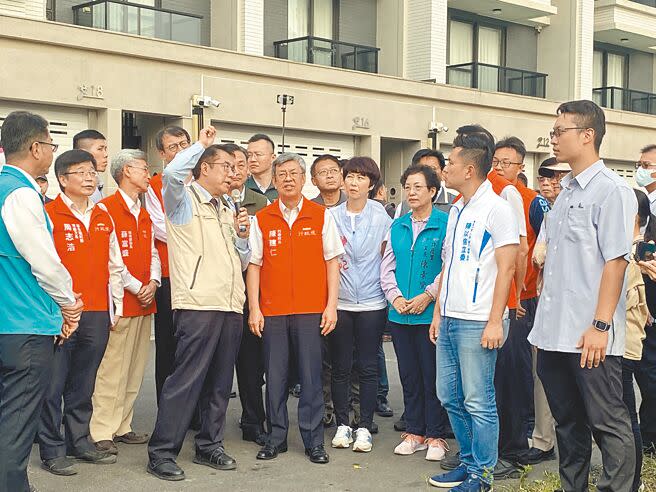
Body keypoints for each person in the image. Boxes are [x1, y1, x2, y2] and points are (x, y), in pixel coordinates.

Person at [528, 100, 637, 492]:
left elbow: (616, 262)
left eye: (560, 132)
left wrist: (600, 325)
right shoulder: (566, 192)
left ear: (587, 135)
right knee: (568, 423)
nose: (553, 139)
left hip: (590, 337)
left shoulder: (611, 191)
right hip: (552, 335)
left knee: (608, 424)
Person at [147, 128, 251, 481]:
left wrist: (242, 238)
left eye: (235, 167)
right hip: (198, 303)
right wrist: (201, 145)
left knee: (221, 382)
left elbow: (241, 260)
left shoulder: (227, 207)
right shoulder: (182, 200)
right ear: (203, 168)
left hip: (230, 304)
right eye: (225, 166)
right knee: (186, 379)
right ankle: (162, 452)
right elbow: (175, 173)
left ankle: (210, 445)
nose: (232, 173)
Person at [428, 125, 519, 492]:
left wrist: (495, 320)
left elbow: (508, 267)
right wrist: (438, 312)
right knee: (448, 395)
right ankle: (467, 463)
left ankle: (483, 475)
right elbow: (449, 264)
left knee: (479, 400)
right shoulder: (456, 210)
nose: (444, 168)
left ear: (469, 170)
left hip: (480, 320)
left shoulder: (497, 208)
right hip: (450, 317)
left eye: (450, 162)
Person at [0, 110, 83, 492]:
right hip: (24, 324)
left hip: (8, 323)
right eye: (50, 144)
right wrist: (69, 303)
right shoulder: (21, 193)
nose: (52, 150)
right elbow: (44, 261)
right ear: (35, 147)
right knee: (16, 422)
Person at [247, 152, 344, 464]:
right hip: (272, 310)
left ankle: (314, 441)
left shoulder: (320, 215)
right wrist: (254, 309)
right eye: (282, 175)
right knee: (275, 377)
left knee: (311, 376)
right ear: (274, 181)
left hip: (310, 309)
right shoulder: (262, 218)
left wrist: (331, 306)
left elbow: (333, 262)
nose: (287, 179)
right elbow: (254, 265)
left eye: (293, 173)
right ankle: (275, 438)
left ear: (304, 180)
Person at [38, 149, 128, 475]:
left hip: (96, 312)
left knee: (84, 382)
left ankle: (80, 440)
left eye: (92, 172)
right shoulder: (48, 214)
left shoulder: (104, 215)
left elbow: (114, 265)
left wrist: (114, 306)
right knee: (53, 384)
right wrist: (58, 310)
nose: (90, 178)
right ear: (62, 180)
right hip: (59, 313)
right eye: (81, 172)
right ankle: (52, 448)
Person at [90, 149, 161, 455]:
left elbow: (154, 252)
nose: (148, 174)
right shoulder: (106, 209)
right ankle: (101, 430)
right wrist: (136, 286)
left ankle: (123, 425)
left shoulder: (143, 212)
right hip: (122, 302)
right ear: (126, 172)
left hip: (146, 302)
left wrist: (154, 283)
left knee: (135, 367)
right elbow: (111, 260)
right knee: (112, 369)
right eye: (143, 169)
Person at [381, 164, 450, 462]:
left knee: (432, 375)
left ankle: (436, 434)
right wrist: (395, 298)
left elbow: (448, 266)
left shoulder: (445, 223)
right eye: (407, 186)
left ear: (433, 191)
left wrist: (427, 296)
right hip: (400, 314)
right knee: (408, 375)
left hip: (429, 314)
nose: (411, 192)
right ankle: (414, 432)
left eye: (418, 187)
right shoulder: (398, 225)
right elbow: (387, 266)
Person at [491, 137, 551, 475]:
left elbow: (537, 250)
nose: (500, 168)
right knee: (501, 372)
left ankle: (522, 437)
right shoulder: (489, 197)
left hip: (524, 299)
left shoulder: (531, 201)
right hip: (499, 299)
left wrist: (521, 291)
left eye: (507, 163)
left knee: (521, 371)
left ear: (520, 167)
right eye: (496, 162)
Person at [328, 157, 391, 453]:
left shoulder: (381, 217)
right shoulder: (331, 215)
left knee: (367, 366)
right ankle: (343, 423)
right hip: (339, 302)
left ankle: (364, 425)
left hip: (371, 302)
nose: (354, 183)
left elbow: (388, 255)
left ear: (371, 184)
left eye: (361, 178)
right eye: (350, 176)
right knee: (340, 366)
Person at [222, 142, 269, 446]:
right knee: (217, 364)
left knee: (252, 364)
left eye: (241, 165)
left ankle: (253, 420)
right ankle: (204, 420)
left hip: (252, 294)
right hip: (219, 292)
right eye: (229, 166)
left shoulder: (260, 203)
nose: (236, 171)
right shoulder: (207, 201)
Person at [145, 125, 191, 403]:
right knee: (167, 344)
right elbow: (159, 227)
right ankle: (167, 406)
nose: (180, 151)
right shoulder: (155, 184)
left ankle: (195, 411)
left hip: (200, 275)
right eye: (172, 147)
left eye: (184, 144)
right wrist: (195, 235)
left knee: (195, 345)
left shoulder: (203, 178)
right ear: (162, 154)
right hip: (169, 274)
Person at [310, 154, 346, 428]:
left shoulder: (356, 206)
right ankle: (325, 408)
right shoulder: (310, 210)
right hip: (318, 295)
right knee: (321, 359)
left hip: (354, 298)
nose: (330, 175)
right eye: (323, 172)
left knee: (349, 358)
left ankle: (351, 411)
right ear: (313, 180)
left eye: (334, 170)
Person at [623, 188, 650, 492]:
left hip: (626, 344)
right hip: (621, 342)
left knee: (625, 415)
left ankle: (632, 481)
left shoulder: (636, 250)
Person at [631, 144, 656, 455]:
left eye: (646, 164)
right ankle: (647, 437)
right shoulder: (637, 203)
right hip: (641, 307)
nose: (641, 169)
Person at [394, 149, 456, 218]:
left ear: (442, 172)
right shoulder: (403, 207)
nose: (428, 173)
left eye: (433, 168)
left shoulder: (455, 204)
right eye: (422, 169)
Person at [73, 130, 109, 204]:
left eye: (105, 149)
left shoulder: (97, 182)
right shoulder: (78, 186)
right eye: (100, 149)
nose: (106, 154)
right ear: (83, 153)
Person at [246, 133, 278, 201]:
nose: (252, 159)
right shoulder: (242, 188)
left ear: (273, 158)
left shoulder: (282, 187)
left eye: (258, 154)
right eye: (249, 155)